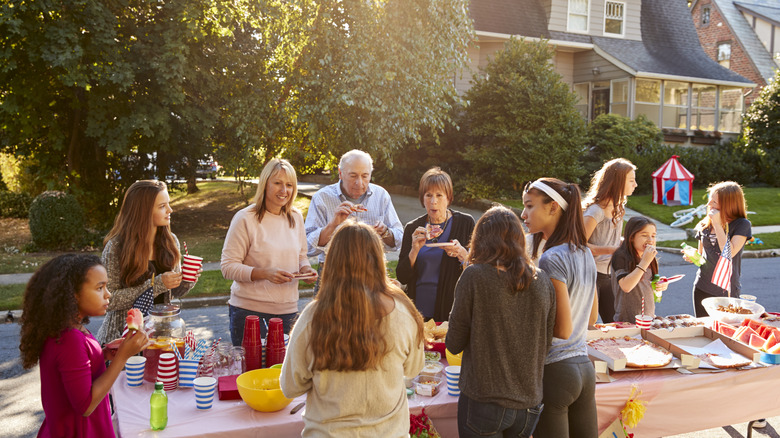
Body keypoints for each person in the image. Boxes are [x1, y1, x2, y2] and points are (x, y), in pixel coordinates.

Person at [280, 221, 425, 437]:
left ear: (333, 262)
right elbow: (413, 369)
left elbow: (291, 387)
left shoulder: (313, 317)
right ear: (378, 260)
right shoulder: (404, 312)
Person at [446, 206, 555, 438]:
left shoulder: (474, 275)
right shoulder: (542, 279)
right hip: (529, 403)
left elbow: (453, 343)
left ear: (480, 239)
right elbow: (545, 344)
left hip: (485, 400)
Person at [19, 254, 149, 437]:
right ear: (73, 294)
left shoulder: (68, 328)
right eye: (99, 287)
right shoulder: (69, 339)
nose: (108, 294)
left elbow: (73, 371)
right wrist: (122, 358)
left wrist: (103, 355)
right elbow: (85, 405)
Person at [522, 177, 598, 438]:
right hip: (585, 369)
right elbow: (592, 317)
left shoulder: (551, 257)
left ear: (553, 207)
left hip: (556, 372)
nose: (523, 214)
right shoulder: (584, 252)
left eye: (530, 206)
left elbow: (562, 330)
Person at [221, 159, 316, 344]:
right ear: (265, 184)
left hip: (288, 312)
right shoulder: (244, 218)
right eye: (278, 183)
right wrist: (264, 274)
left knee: (282, 371)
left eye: (289, 185)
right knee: (251, 371)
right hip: (248, 313)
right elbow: (227, 267)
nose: (284, 190)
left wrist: (305, 270)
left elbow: (301, 256)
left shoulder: (295, 217)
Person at [96, 180, 197, 345]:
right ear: (143, 212)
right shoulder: (116, 247)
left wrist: (186, 280)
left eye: (168, 204)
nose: (170, 210)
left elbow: (173, 293)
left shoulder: (171, 242)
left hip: (159, 338)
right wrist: (156, 284)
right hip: (121, 341)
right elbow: (109, 300)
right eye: (162, 206)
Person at [304, 150, 403, 286]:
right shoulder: (322, 197)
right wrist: (333, 225)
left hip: (373, 272)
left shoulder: (381, 195)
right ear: (340, 173)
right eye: (353, 176)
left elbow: (399, 240)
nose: (359, 183)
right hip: (334, 273)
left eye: (365, 176)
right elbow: (308, 247)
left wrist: (385, 232)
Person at [397, 167, 474, 321]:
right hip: (417, 309)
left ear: (449, 198)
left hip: (451, 309)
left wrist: (462, 254)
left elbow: (477, 269)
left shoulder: (465, 223)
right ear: (422, 198)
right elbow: (402, 277)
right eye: (428, 195)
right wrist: (414, 250)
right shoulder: (413, 228)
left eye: (439, 195)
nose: (433, 201)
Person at [582, 158, 637, 323]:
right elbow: (578, 245)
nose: (636, 185)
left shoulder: (619, 208)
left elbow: (608, 238)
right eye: (632, 181)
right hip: (591, 274)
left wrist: (625, 243)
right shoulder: (595, 211)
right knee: (588, 324)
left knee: (615, 323)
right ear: (618, 182)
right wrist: (612, 249)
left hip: (609, 273)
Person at [687, 181, 751, 317]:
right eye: (710, 200)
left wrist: (717, 224)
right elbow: (701, 255)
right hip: (702, 286)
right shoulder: (705, 223)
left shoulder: (742, 225)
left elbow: (729, 252)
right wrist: (693, 256)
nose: (709, 205)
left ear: (729, 204)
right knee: (703, 330)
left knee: (722, 332)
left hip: (726, 290)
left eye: (714, 202)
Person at [611, 216, 668, 322]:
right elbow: (626, 286)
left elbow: (645, 283)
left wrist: (659, 284)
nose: (650, 240)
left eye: (653, 236)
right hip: (627, 321)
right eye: (644, 235)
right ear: (631, 237)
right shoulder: (621, 256)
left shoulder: (648, 257)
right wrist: (644, 262)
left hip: (648, 317)